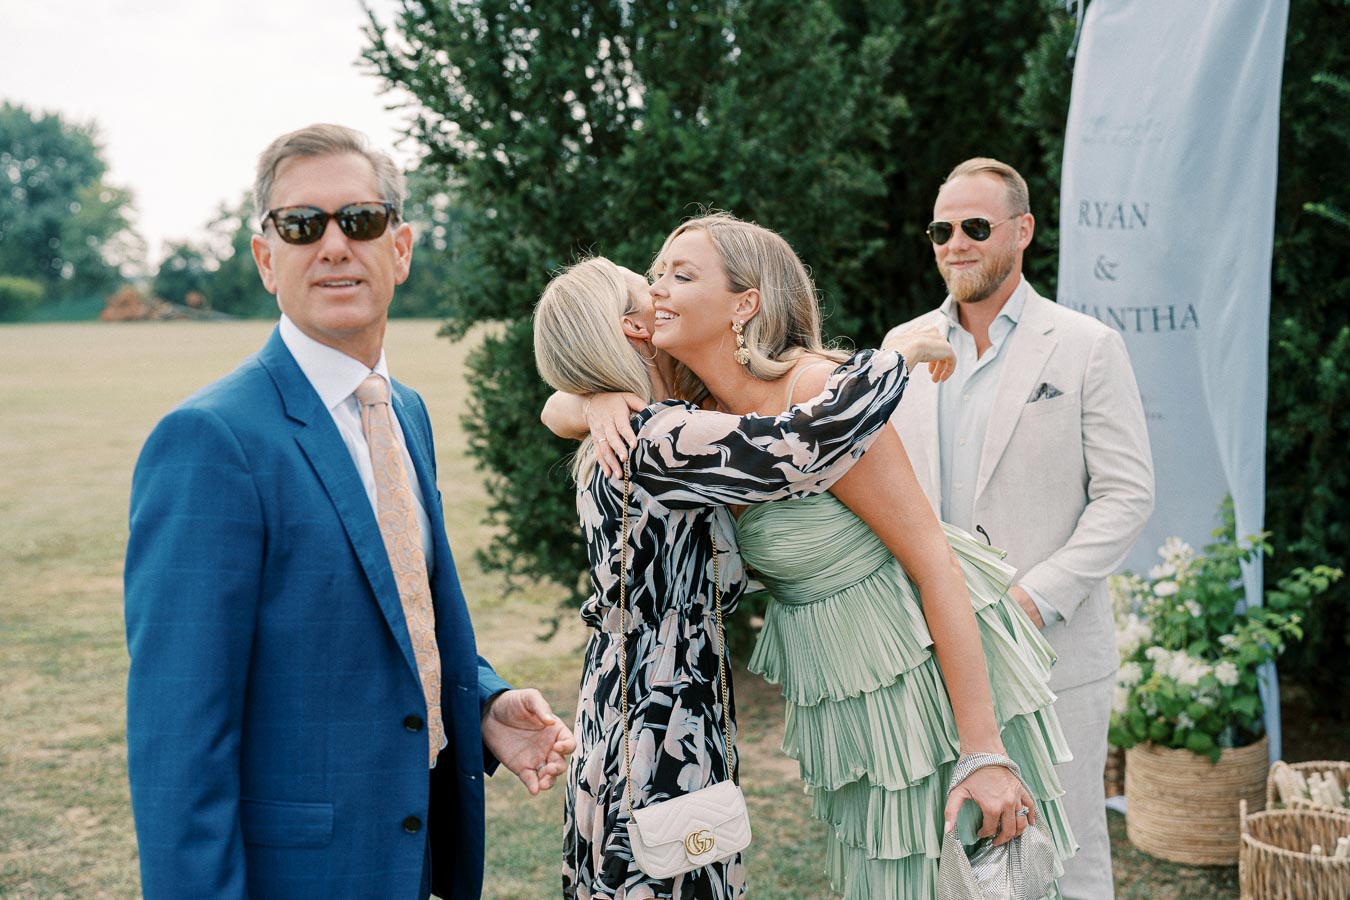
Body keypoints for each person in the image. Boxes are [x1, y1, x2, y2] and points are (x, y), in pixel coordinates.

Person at [554, 216, 1075, 899]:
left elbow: (932, 561)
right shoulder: (688, 410)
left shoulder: (813, 390)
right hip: (836, 680)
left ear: (745, 303)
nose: (657, 291)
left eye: (682, 275)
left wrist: (982, 751)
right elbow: (557, 402)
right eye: (656, 275)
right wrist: (593, 398)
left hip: (916, 663)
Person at [123, 123, 574, 900]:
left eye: (358, 220)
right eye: (301, 225)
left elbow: (396, 608)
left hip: (416, 857)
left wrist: (485, 702)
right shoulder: (209, 440)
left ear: (398, 248)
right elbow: (178, 742)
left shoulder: (406, 412)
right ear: (267, 259)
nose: (333, 245)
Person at [533, 256, 917, 899]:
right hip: (664, 724)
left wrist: (588, 397)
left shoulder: (615, 436)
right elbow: (807, 443)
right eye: (647, 288)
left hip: (617, 708)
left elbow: (556, 404)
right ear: (635, 327)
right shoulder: (662, 437)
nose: (662, 291)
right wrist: (893, 356)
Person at [885, 157, 1155, 899]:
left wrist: (1033, 602)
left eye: (976, 227)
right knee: (948, 859)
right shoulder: (900, 348)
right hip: (931, 659)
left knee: (1066, 855)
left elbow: (1127, 496)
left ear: (1023, 231)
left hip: (1053, 655)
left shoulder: (1084, 345)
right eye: (942, 229)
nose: (956, 244)